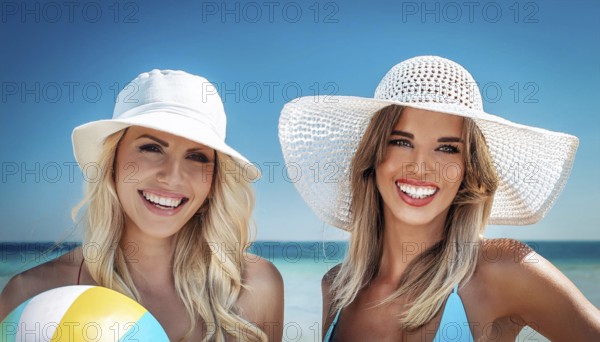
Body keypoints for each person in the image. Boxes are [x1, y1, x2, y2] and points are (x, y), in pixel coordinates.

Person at [278, 56, 600, 341]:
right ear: (374, 156)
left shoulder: (502, 270)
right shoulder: (336, 289)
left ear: (467, 169)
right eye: (401, 141)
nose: (420, 167)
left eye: (446, 148)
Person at [0, 69, 284, 341]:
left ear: (213, 183)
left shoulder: (256, 288)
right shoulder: (31, 295)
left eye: (196, 157)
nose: (172, 176)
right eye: (151, 148)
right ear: (112, 163)